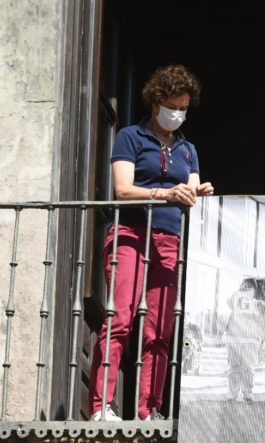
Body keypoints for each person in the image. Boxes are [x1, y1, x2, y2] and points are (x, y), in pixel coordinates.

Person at [89, 64, 213, 421]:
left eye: (185, 108)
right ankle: (101, 407)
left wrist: (200, 192)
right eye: (174, 105)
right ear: (156, 101)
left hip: (168, 239)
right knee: (120, 318)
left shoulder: (188, 150)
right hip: (129, 233)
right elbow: (122, 189)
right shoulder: (130, 137)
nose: (179, 114)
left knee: (159, 329)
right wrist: (164, 193)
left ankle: (149, 410)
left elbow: (189, 190)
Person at [223, 278, 265, 403]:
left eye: (249, 286)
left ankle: (247, 393)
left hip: (250, 340)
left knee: (248, 367)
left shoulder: (258, 303)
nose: (245, 288)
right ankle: (232, 393)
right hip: (234, 338)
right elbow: (229, 302)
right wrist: (239, 292)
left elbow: (261, 319)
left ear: (254, 290)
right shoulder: (235, 299)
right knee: (233, 367)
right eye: (243, 285)